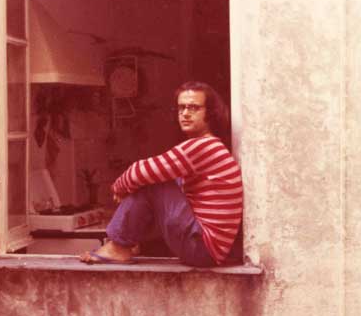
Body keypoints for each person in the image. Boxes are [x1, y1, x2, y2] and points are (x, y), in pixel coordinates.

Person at [80, 81, 243, 266]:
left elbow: (141, 171)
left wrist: (120, 187)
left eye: (194, 108)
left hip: (203, 248)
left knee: (155, 183)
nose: (185, 113)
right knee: (162, 180)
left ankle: (118, 247)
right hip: (207, 249)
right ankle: (126, 244)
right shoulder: (210, 146)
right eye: (181, 108)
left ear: (210, 113)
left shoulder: (204, 146)